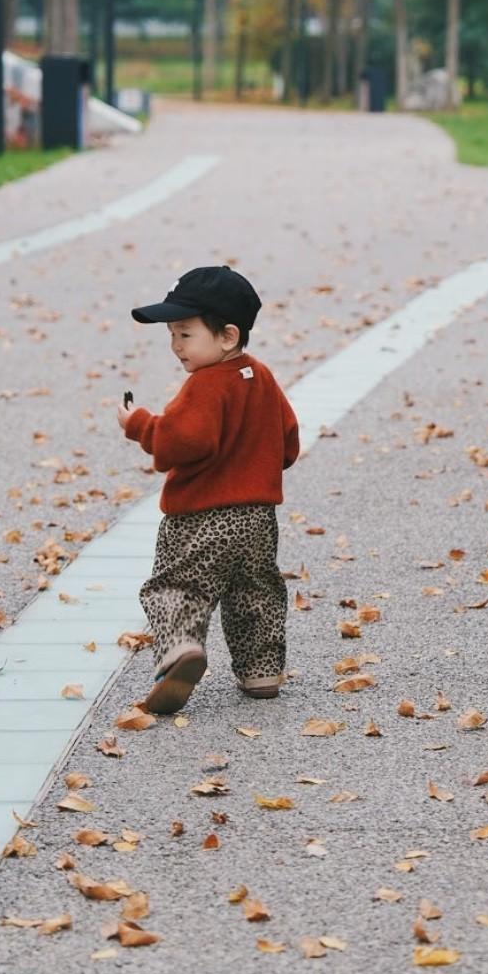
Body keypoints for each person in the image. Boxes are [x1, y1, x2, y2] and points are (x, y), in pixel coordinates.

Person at [118, 265, 300, 714]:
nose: (174, 346)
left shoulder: (204, 386)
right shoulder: (261, 378)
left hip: (200, 516)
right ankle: (261, 670)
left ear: (227, 336)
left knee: (178, 587)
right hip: (257, 518)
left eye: (184, 334)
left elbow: (185, 441)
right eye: (172, 335)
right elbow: (288, 440)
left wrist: (140, 425)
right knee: (255, 592)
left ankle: (180, 648)